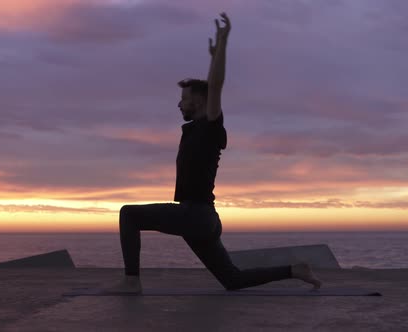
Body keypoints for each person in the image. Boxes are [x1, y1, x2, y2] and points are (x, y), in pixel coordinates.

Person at [106, 12, 322, 293]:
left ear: (199, 100)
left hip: (196, 215)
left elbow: (215, 85)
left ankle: (131, 283)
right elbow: (211, 88)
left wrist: (221, 47)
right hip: (202, 219)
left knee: (129, 214)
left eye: (184, 98)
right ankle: (295, 270)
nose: (179, 104)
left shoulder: (210, 126)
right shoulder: (195, 129)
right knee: (232, 280)